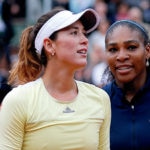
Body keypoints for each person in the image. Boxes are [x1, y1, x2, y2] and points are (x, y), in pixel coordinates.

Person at [0, 7, 111, 150]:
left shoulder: (101, 99)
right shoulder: (17, 100)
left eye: (84, 33)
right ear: (49, 45)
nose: (84, 40)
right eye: (74, 33)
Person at [102, 20, 150, 150]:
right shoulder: (99, 102)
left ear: (147, 51)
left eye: (131, 47)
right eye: (113, 49)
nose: (121, 56)